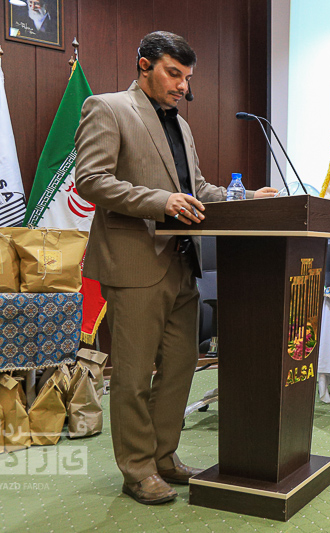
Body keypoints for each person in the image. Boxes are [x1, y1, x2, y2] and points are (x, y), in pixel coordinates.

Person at [74, 31, 277, 505]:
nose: (183, 86)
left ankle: (164, 456)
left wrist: (245, 197)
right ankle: (137, 469)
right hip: (134, 261)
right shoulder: (107, 108)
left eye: (187, 78)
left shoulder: (181, 125)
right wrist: (159, 201)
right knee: (132, 375)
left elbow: (197, 190)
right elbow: (91, 179)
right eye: (174, 74)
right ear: (144, 65)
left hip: (183, 262)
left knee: (182, 367)